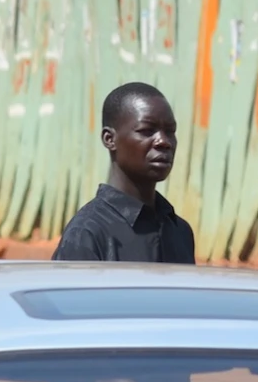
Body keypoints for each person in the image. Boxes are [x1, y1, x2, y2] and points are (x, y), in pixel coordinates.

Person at [54, 81, 197, 263]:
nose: (164, 141)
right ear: (109, 139)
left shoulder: (179, 232)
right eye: (146, 131)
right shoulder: (87, 234)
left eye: (170, 131)